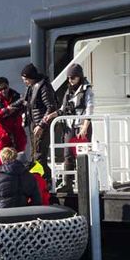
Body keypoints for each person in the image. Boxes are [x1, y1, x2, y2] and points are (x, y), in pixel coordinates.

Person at [43, 63, 94, 191]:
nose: (70, 81)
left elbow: (90, 109)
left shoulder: (87, 89)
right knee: (68, 155)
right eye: (69, 78)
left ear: (79, 77)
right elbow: (62, 109)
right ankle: (67, 184)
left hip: (81, 125)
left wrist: (85, 127)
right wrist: (51, 115)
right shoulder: (68, 91)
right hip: (69, 126)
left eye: (73, 78)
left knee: (82, 155)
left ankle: (85, 183)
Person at [21, 63, 58, 183]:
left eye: (25, 79)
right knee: (34, 155)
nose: (24, 82)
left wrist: (42, 125)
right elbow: (28, 105)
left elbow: (51, 107)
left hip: (41, 125)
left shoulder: (44, 87)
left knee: (39, 155)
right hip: (34, 124)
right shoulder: (31, 87)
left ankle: (46, 180)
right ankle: (44, 180)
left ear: (31, 77)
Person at [0, 77, 27, 166]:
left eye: (5, 87)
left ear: (8, 86)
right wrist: (6, 110)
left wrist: (15, 110)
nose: (3, 91)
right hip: (2, 134)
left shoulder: (17, 97)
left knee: (20, 156)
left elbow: (25, 108)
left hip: (17, 132)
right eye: (0, 89)